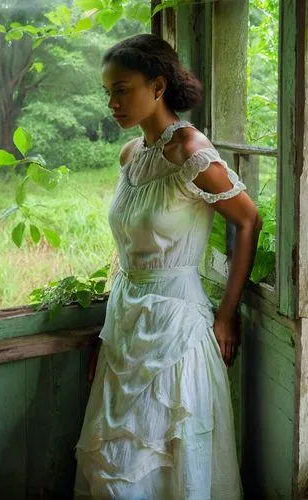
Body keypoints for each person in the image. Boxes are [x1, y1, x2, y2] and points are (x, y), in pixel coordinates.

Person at [74, 33, 262, 499]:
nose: (113, 102)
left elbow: (249, 219)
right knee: (116, 465)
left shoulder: (191, 152)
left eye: (122, 89)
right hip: (125, 328)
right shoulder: (131, 155)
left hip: (177, 332)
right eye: (108, 92)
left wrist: (226, 313)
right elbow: (128, 253)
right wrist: (106, 334)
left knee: (171, 462)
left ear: (157, 87)